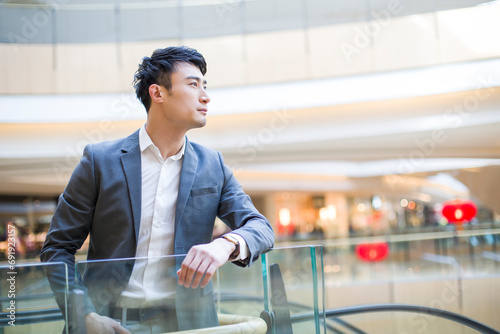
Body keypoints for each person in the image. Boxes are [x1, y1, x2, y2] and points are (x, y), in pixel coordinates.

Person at [40, 46, 274, 334]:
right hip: (110, 322)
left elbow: (261, 227)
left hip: (189, 325)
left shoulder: (212, 165)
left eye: (205, 85)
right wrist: (84, 315)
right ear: (158, 93)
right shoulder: (100, 161)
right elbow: (57, 248)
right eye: (193, 84)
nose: (205, 96)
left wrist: (224, 245)